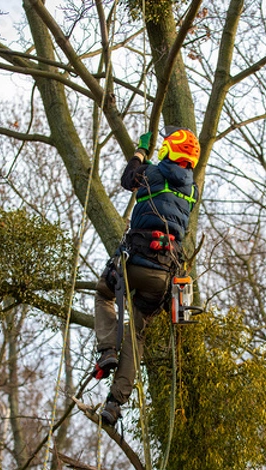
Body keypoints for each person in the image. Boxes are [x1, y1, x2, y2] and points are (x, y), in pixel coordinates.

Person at [94, 126, 200, 426]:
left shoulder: (152, 173)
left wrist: (141, 152)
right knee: (137, 332)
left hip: (134, 263)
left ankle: (106, 352)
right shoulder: (192, 190)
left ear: (168, 151)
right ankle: (114, 404)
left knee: (103, 293)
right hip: (164, 276)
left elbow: (128, 178)